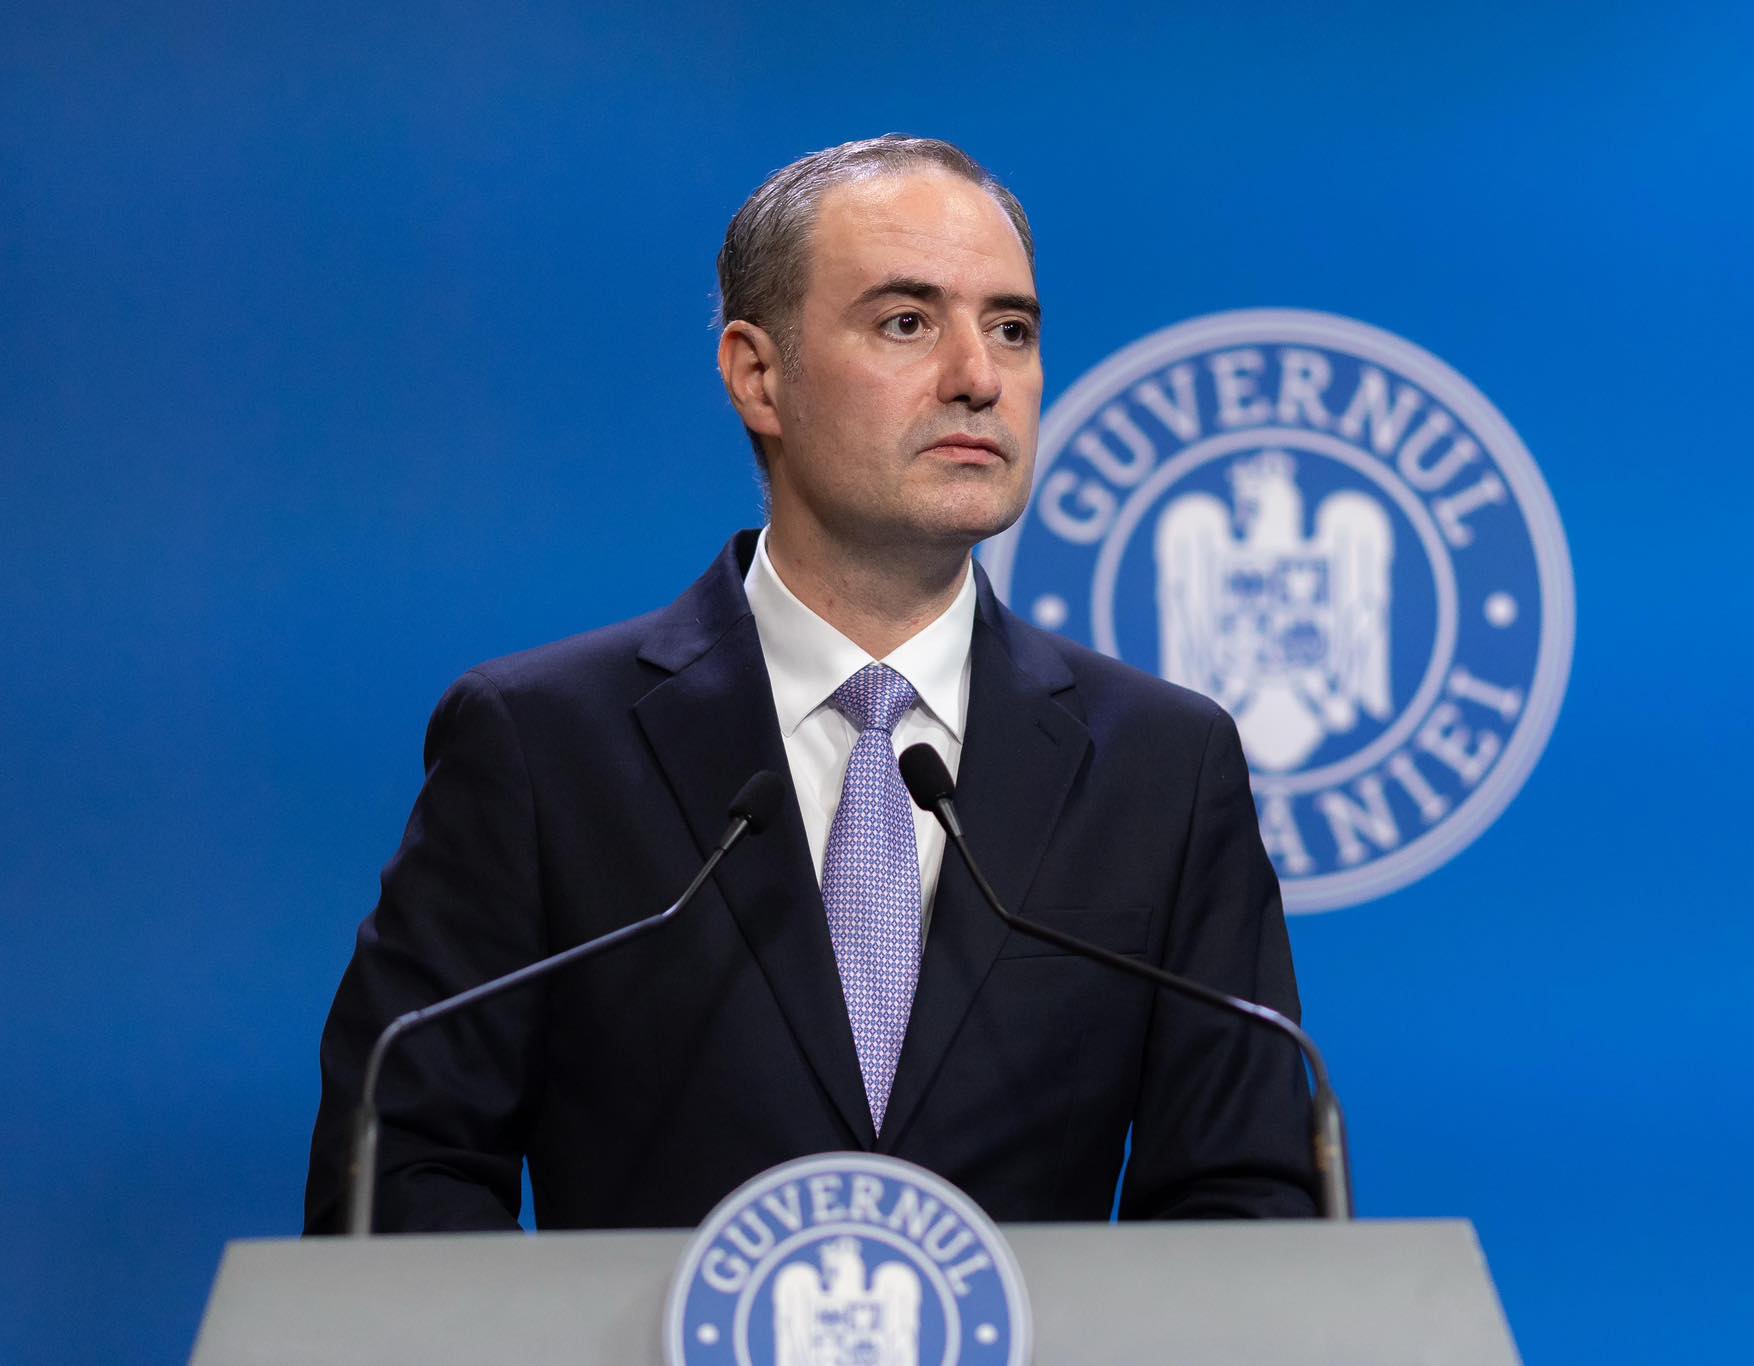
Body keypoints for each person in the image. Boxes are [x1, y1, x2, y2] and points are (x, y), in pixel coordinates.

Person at [304, 135, 1316, 1233]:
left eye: (1011, 330)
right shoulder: (543, 747)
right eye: (906, 322)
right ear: (758, 375)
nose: (977, 378)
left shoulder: (1160, 765)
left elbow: (1242, 1199)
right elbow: (402, 1170)